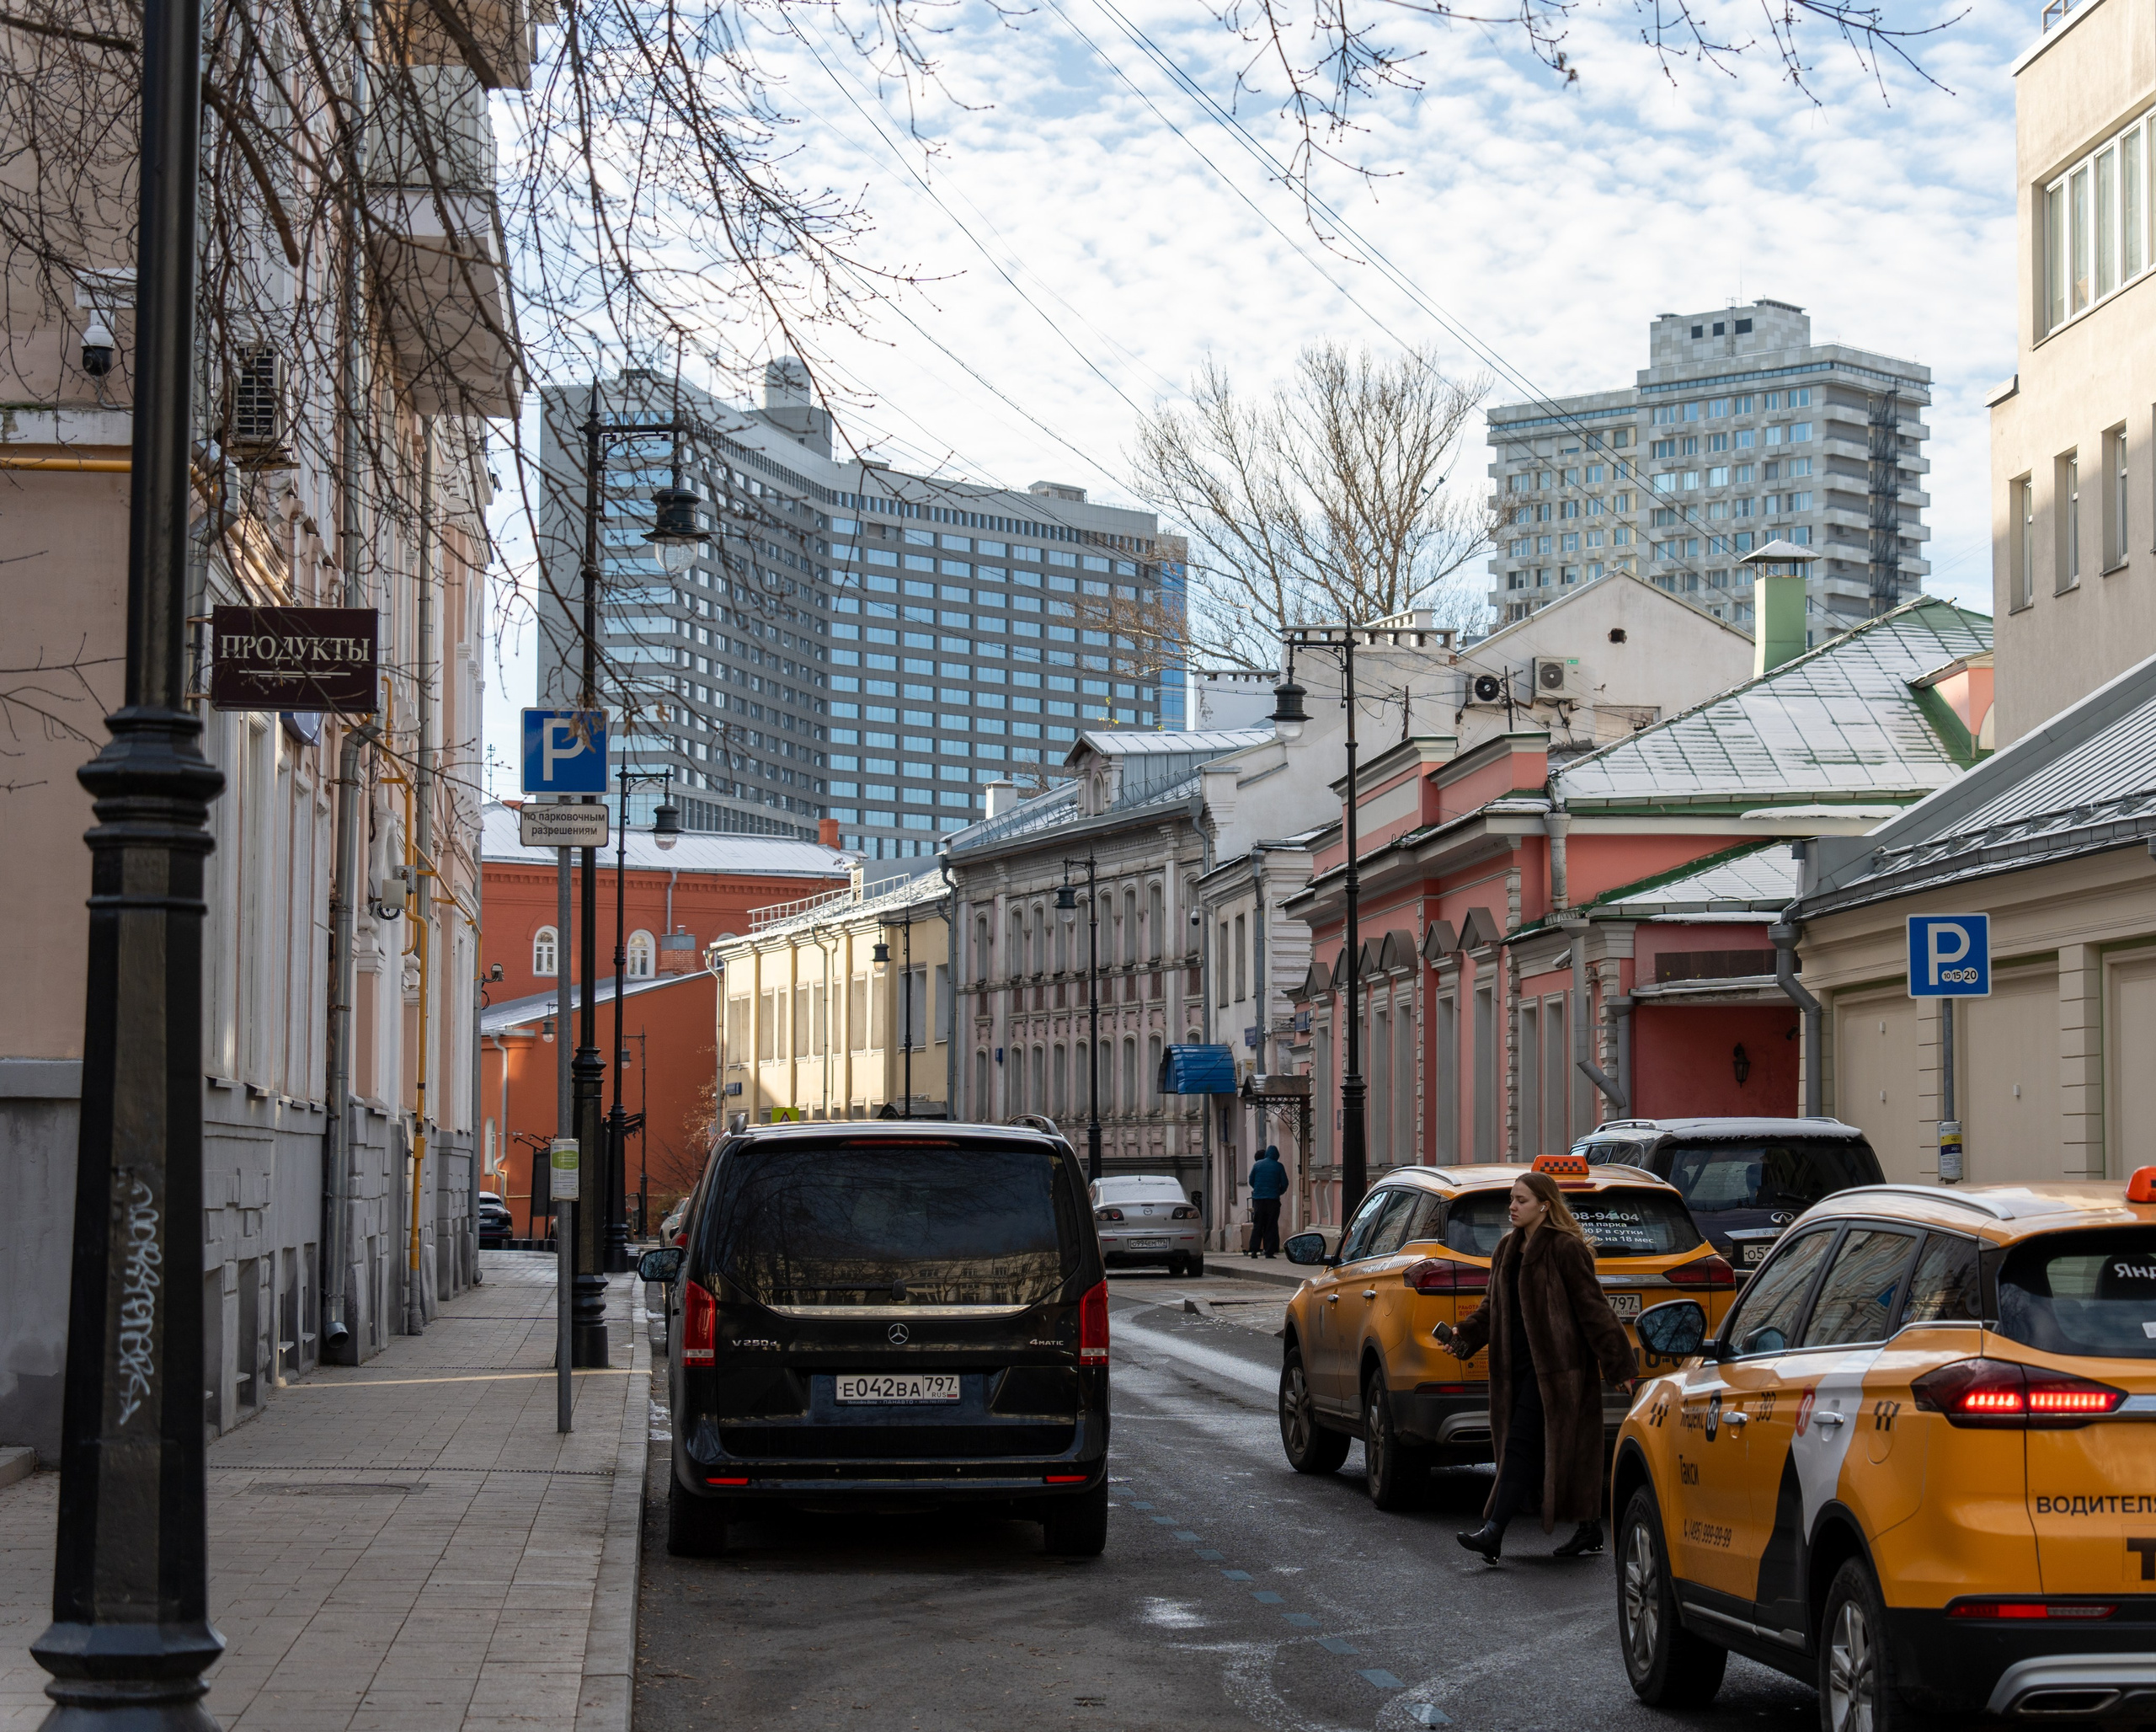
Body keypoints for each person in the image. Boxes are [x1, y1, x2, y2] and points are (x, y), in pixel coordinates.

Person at [1444, 1170, 1638, 1564]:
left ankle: (1493, 1533)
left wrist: (1618, 1365)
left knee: (1519, 1445)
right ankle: (1588, 1528)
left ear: (1545, 1206)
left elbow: (1594, 1311)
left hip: (1556, 1370)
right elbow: (1491, 1309)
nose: (1513, 1207)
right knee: (1544, 1449)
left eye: (1522, 1200)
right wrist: (1461, 1337)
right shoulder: (1505, 1250)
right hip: (1512, 1369)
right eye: (1512, 1200)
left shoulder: (1565, 1249)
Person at [1246, 1145, 1288, 1258]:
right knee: (1271, 1225)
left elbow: (1251, 1180)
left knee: (1258, 1225)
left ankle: (1254, 1250)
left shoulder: (1257, 1165)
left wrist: (1258, 1189)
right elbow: (1284, 1183)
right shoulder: (1279, 1166)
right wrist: (1278, 1192)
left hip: (1259, 1200)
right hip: (1273, 1200)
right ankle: (1269, 1251)